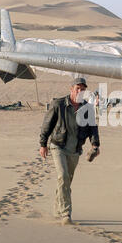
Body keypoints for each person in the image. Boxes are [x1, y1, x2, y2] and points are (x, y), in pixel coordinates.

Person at [39, 77, 100, 225]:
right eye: (77, 88)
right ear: (71, 89)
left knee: (66, 182)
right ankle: (66, 214)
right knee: (63, 176)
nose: (80, 91)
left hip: (74, 150)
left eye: (83, 89)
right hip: (58, 146)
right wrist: (43, 143)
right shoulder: (58, 104)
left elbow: (93, 129)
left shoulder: (87, 108)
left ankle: (57, 209)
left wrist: (95, 145)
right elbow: (47, 124)